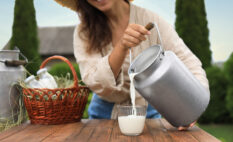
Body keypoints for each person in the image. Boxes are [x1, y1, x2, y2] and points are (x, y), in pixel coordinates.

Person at [54, 0, 209, 119]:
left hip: (149, 110)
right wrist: (121, 47)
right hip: (103, 114)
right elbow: (94, 80)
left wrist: (193, 106)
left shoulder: (150, 19)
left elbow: (187, 61)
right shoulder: (84, 32)